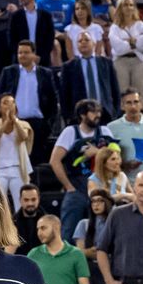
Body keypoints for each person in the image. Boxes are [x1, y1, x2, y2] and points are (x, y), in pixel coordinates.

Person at [50, 99, 116, 235]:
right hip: (78, 187)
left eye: (99, 111)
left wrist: (97, 153)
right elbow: (54, 161)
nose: (97, 115)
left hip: (102, 186)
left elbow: (116, 159)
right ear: (82, 115)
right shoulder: (70, 132)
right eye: (93, 112)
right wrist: (68, 186)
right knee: (69, 230)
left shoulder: (104, 131)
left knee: (107, 228)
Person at [0, 41, 58, 165]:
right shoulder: (8, 72)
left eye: (26, 52)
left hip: (37, 125)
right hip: (13, 123)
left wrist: (48, 124)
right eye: (20, 53)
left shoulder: (45, 74)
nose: (22, 55)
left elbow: (52, 101)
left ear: (34, 54)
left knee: (35, 162)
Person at [28, 214, 90, 284]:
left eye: (43, 228)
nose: (39, 233)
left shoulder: (76, 254)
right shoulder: (33, 254)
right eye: (38, 229)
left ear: (56, 227)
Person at [0, 94, 34, 211]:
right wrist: (5, 124)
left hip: (18, 169)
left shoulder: (23, 125)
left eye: (12, 103)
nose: (9, 106)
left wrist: (14, 121)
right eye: (5, 103)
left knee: (20, 204)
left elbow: (24, 137)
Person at [108, 89, 143, 181]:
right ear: (122, 106)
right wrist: (126, 165)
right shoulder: (112, 127)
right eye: (129, 103)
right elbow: (108, 160)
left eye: (136, 102)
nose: (133, 106)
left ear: (141, 104)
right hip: (126, 183)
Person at [61, 32, 119, 119]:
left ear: (94, 43)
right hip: (81, 116)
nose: (83, 42)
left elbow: (115, 90)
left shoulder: (106, 63)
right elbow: (64, 94)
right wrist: (69, 116)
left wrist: (115, 112)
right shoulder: (69, 67)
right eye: (80, 41)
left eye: (87, 40)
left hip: (105, 113)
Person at [108, 0, 143, 99]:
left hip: (138, 61)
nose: (128, 8)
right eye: (125, 5)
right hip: (120, 62)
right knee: (122, 92)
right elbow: (118, 48)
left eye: (131, 5)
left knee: (140, 92)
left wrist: (127, 42)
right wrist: (136, 42)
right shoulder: (114, 27)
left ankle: (142, 113)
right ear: (120, 8)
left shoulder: (140, 25)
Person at [13, 184, 46, 251]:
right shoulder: (11, 222)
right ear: (20, 200)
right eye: (26, 200)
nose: (30, 203)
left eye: (33, 199)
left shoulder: (48, 222)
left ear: (38, 199)